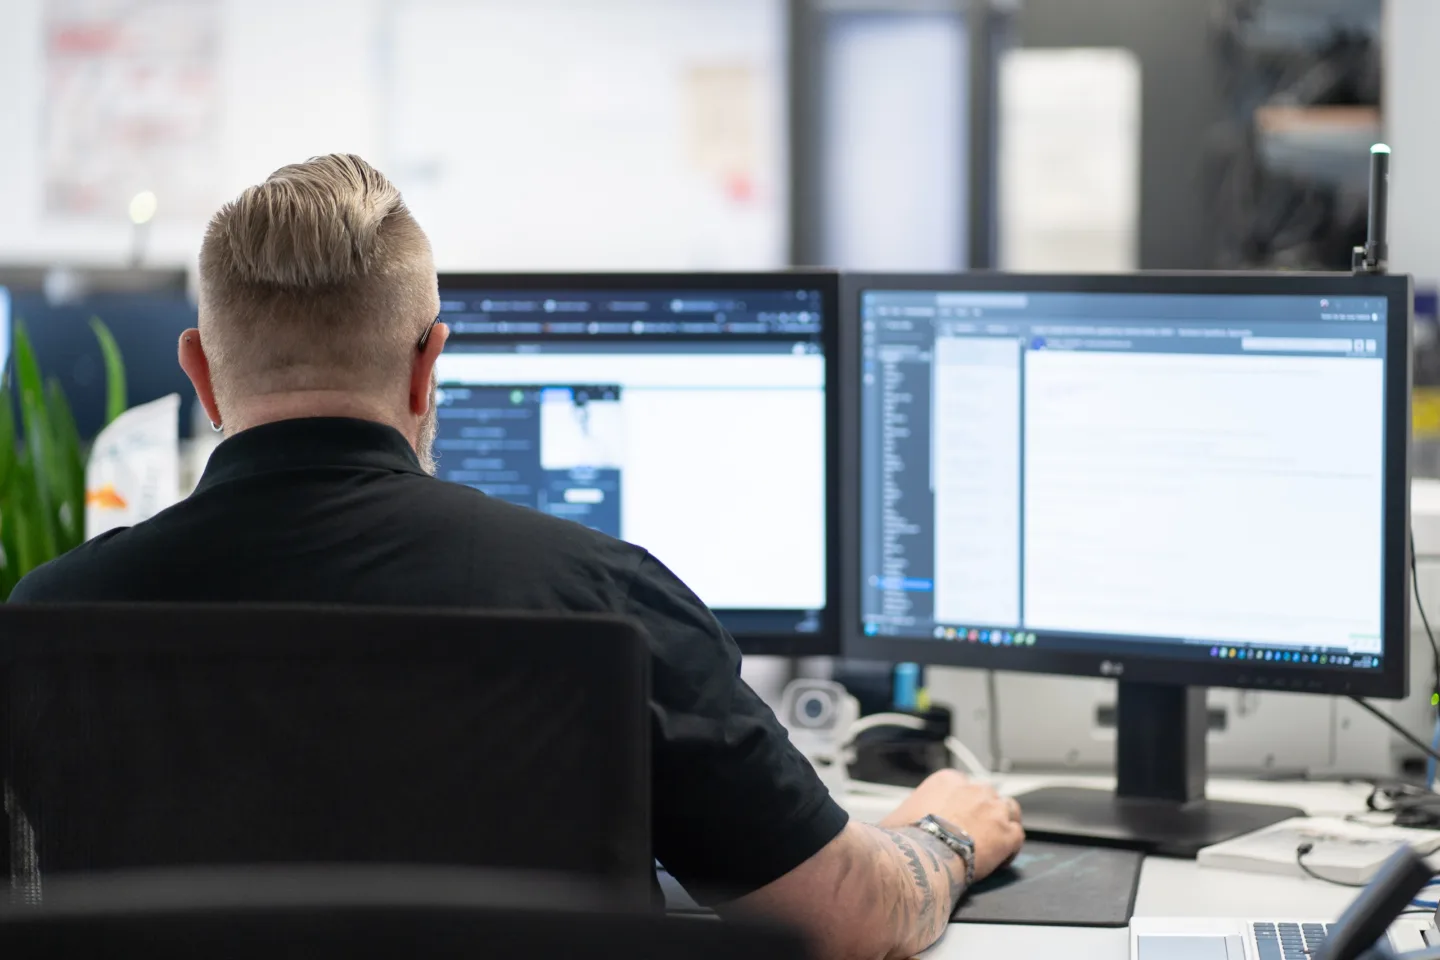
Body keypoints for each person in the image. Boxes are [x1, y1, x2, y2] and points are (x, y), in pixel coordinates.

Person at [9, 154, 1024, 960]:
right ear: (428, 362)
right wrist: (941, 833)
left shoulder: (46, 624)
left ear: (200, 372)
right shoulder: (599, 598)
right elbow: (842, 919)